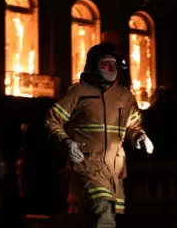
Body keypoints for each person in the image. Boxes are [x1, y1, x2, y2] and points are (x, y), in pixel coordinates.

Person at [45, 42, 154, 228]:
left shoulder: (125, 96)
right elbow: (52, 121)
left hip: (115, 170)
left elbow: (133, 124)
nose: (111, 69)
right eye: (105, 64)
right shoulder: (79, 93)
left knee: (99, 216)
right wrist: (67, 143)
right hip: (86, 165)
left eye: (114, 64)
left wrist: (140, 136)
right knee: (103, 211)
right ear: (93, 66)